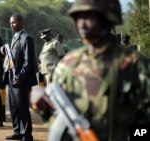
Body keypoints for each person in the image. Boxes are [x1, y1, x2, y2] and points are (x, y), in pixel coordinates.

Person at [46, 0, 150, 140]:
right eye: (79, 17)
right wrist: (44, 108)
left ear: (108, 19)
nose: (82, 23)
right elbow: (57, 118)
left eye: (90, 17)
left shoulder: (135, 66)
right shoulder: (67, 64)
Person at [4, 14, 38, 141]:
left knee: (23, 107)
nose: (11, 25)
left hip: (21, 80)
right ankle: (17, 131)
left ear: (21, 22)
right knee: (14, 107)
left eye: (14, 22)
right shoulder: (14, 37)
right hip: (11, 78)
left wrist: (21, 77)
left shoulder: (27, 38)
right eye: (10, 23)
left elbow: (28, 62)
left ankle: (27, 135)